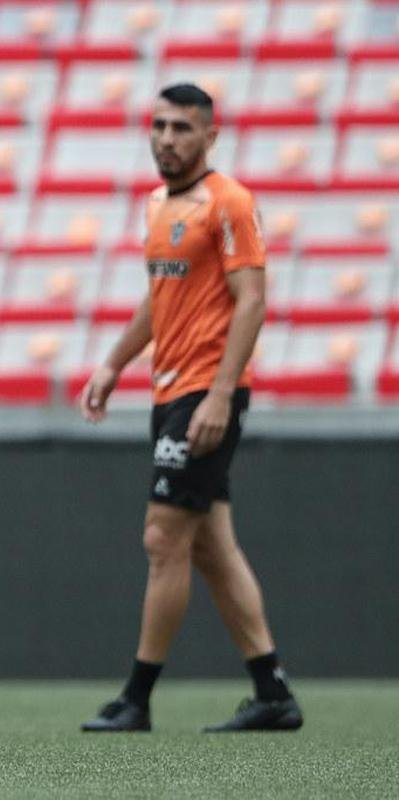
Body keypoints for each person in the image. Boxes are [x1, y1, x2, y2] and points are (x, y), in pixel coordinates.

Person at [77, 84, 302, 733]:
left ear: (208, 136)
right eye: (158, 126)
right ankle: (272, 691)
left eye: (180, 128)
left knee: (161, 537)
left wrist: (222, 393)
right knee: (210, 546)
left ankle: (136, 698)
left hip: (205, 391)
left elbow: (251, 299)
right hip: (170, 389)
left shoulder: (229, 201)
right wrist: (114, 363)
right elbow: (159, 298)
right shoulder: (156, 204)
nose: (166, 138)